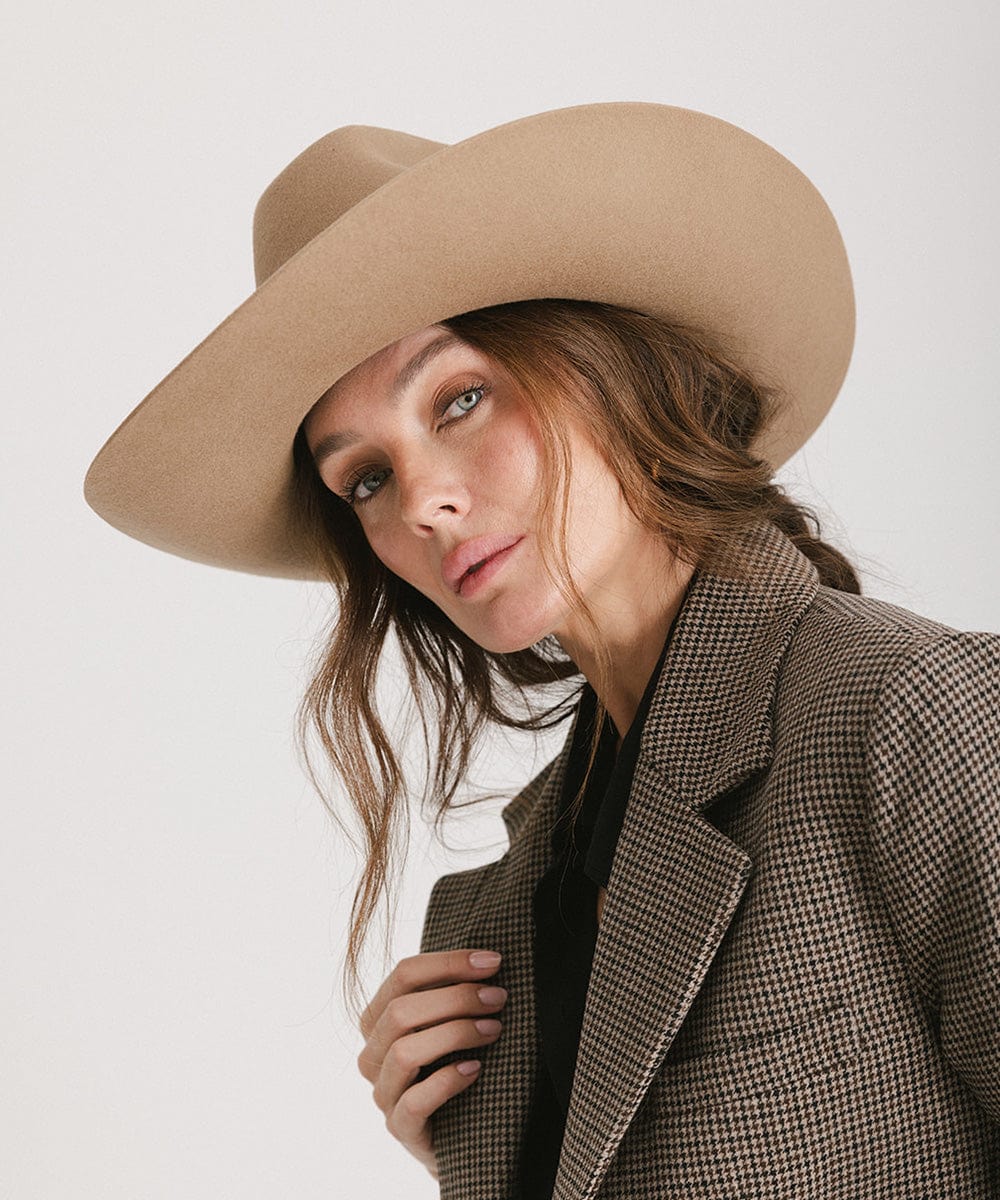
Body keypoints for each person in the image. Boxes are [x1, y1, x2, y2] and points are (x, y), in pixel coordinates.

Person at [84, 103, 999, 1197]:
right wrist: (495, 1148)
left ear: (604, 364)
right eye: (364, 479)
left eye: (460, 398)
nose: (422, 500)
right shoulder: (526, 886)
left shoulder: (915, 711)